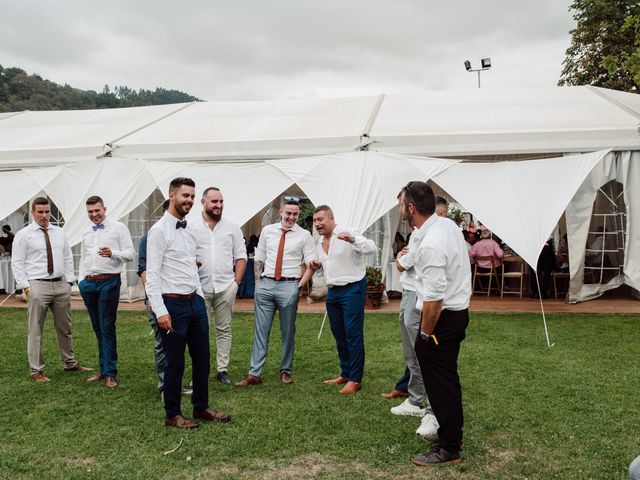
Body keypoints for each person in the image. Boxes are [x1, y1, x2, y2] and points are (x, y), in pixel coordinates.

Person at [146, 177, 230, 428]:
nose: (190, 201)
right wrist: (160, 310)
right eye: (185, 196)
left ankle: (201, 407)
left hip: (195, 302)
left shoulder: (190, 229)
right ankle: (172, 414)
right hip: (172, 304)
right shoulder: (158, 231)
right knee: (175, 362)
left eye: (192, 197)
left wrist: (200, 298)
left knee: (202, 358)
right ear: (172, 196)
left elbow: (192, 268)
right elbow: (152, 275)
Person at [398, 181, 471, 467]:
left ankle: (449, 446)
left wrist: (425, 335)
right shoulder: (446, 226)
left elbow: (434, 300)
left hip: (441, 320)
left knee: (441, 384)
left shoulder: (431, 243)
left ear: (411, 208)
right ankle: (451, 434)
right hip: (455, 313)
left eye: (402, 204)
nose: (400, 208)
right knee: (446, 381)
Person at [235, 196, 316, 387]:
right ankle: (255, 373)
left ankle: (286, 371)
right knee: (260, 330)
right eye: (288, 213)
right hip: (266, 284)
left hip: (290, 285)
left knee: (288, 331)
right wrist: (258, 284)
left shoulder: (304, 235)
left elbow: (311, 264)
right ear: (281, 212)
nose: (292, 217)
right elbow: (259, 259)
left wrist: (299, 286)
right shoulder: (268, 231)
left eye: (295, 214)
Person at [11, 197, 91, 382]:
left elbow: (68, 257)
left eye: (47, 212)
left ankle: (70, 363)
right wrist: (26, 287)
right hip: (37, 285)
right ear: (33, 213)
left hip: (60, 285)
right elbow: (17, 263)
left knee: (65, 327)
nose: (45, 215)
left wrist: (69, 282)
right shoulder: (24, 235)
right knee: (35, 329)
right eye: (41, 212)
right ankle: (36, 370)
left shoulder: (59, 233)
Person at [311, 205, 376, 394]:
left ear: (331, 218)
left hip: (353, 289)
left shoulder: (347, 232)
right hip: (333, 292)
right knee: (339, 333)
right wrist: (317, 264)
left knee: (353, 334)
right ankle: (345, 372)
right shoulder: (319, 242)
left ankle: (355, 379)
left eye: (321, 220)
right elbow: (330, 264)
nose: (317, 224)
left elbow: (371, 248)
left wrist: (353, 239)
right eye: (315, 221)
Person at [78, 196, 135, 388]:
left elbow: (130, 254)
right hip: (89, 284)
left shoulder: (119, 228)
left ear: (105, 209)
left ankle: (110, 373)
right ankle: (102, 370)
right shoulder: (86, 231)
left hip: (109, 282)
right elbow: (83, 258)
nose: (94, 215)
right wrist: (81, 281)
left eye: (97, 211)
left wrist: (113, 253)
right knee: (97, 327)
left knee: (107, 326)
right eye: (90, 212)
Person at [192, 187, 247, 385]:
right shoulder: (191, 227)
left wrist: (236, 283)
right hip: (199, 288)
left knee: (224, 329)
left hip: (226, 287)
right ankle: (201, 371)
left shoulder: (232, 227)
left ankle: (222, 369)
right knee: (200, 332)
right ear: (203, 202)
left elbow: (240, 256)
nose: (218, 205)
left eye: (221, 201)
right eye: (214, 201)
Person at [138, 199, 192, 398]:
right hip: (158, 300)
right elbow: (144, 270)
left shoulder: (183, 233)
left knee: (177, 344)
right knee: (163, 342)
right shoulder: (151, 235)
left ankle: (174, 385)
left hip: (179, 299)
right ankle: (165, 387)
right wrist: (155, 301)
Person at [394, 214, 438, 438]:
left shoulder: (429, 235)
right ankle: (415, 399)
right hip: (407, 291)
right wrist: (404, 257)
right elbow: (405, 259)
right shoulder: (415, 234)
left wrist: (403, 259)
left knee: (421, 351)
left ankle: (430, 406)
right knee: (410, 351)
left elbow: (404, 263)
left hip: (417, 294)